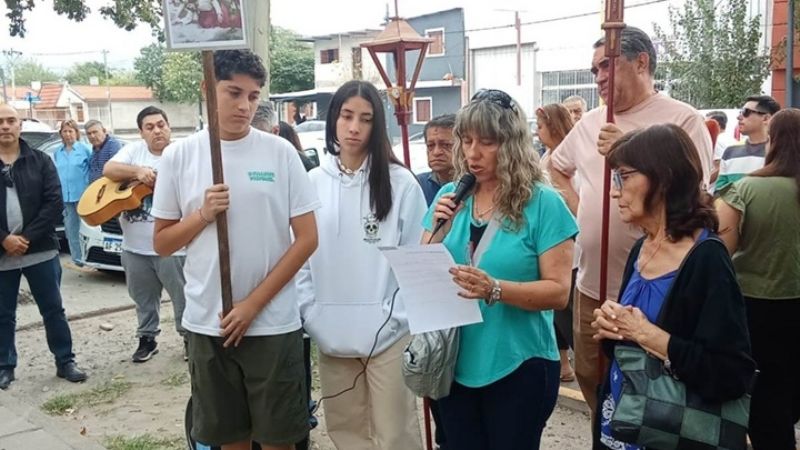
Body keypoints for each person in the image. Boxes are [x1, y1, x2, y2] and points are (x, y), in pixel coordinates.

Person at [152, 49, 319, 450]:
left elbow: (308, 238)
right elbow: (162, 242)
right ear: (206, 88)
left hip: (272, 323)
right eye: (233, 93)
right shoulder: (180, 156)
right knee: (229, 438)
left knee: (280, 437)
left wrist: (252, 305)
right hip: (208, 321)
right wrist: (203, 215)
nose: (245, 105)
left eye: (254, 95)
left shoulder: (279, 154)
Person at [547, 26, 713, 417]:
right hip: (592, 284)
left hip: (657, 284)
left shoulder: (681, 120)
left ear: (642, 62)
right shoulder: (589, 122)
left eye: (608, 65)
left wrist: (624, 147)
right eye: (594, 70)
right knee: (592, 375)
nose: (599, 77)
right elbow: (556, 167)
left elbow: (695, 196)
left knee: (651, 388)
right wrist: (579, 204)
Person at [424, 89, 577, 449]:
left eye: (487, 142)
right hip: (454, 362)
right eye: (467, 140)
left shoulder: (544, 203)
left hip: (519, 364)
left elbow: (558, 292)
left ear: (510, 144)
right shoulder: (450, 196)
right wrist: (438, 232)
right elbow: (424, 273)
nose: (472, 153)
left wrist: (495, 288)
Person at [593, 124, 755, 449]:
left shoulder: (707, 259)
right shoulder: (643, 247)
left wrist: (646, 334)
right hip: (623, 426)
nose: (613, 191)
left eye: (623, 177)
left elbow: (731, 373)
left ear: (664, 178)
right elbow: (628, 354)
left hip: (671, 433)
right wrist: (613, 330)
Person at [296, 80, 426, 450]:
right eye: (346, 116)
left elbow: (414, 259)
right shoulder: (311, 183)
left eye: (365, 119)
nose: (354, 127)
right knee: (346, 430)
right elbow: (300, 259)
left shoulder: (401, 185)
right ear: (333, 119)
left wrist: (395, 318)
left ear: (377, 126)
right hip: (329, 333)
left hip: (388, 335)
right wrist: (312, 315)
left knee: (395, 432)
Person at [716, 108, 800, 450]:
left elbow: (720, 254)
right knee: (788, 390)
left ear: (774, 141)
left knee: (763, 397)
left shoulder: (746, 190)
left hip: (753, 307)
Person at [0, 104, 88, 390]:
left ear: (20, 125)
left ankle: (65, 361)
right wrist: (5, 239)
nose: (5, 126)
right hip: (2, 254)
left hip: (40, 250)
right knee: (3, 314)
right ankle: (5, 366)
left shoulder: (40, 161)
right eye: (0, 121)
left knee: (53, 310)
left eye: (11, 120)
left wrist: (25, 238)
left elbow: (53, 203)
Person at [103, 107, 187, 363]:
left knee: (183, 296)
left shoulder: (181, 153)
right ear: (141, 132)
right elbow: (109, 169)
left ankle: (189, 339)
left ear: (169, 127)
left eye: (161, 124)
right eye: (150, 127)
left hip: (173, 247)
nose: (157, 130)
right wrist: (138, 172)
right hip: (135, 247)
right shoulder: (134, 152)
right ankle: (147, 338)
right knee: (142, 298)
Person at [536, 103, 577, 382]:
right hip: (552, 241)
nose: (537, 132)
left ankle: (567, 362)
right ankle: (563, 363)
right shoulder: (547, 157)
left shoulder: (562, 160)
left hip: (566, 244)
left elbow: (572, 204)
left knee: (564, 310)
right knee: (558, 315)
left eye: (540, 126)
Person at [715, 95, 780, 192]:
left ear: (766, 118)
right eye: (740, 112)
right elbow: (720, 190)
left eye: (746, 112)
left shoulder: (779, 151)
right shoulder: (730, 151)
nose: (739, 117)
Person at [53, 119, 92, 267]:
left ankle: (89, 258)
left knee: (86, 229)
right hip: (66, 197)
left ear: (76, 132)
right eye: (65, 131)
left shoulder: (85, 149)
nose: (68, 134)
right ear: (61, 134)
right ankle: (77, 259)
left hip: (83, 196)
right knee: (71, 229)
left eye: (71, 131)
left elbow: (92, 169)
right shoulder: (58, 152)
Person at [416, 114, 456, 206]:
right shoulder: (418, 185)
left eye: (446, 145)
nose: (436, 152)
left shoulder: (476, 187)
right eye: (430, 145)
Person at [706, 110, 733, 186]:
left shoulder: (717, 141)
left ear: (716, 124)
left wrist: (703, 184)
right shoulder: (731, 139)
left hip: (716, 188)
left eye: (707, 123)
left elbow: (719, 168)